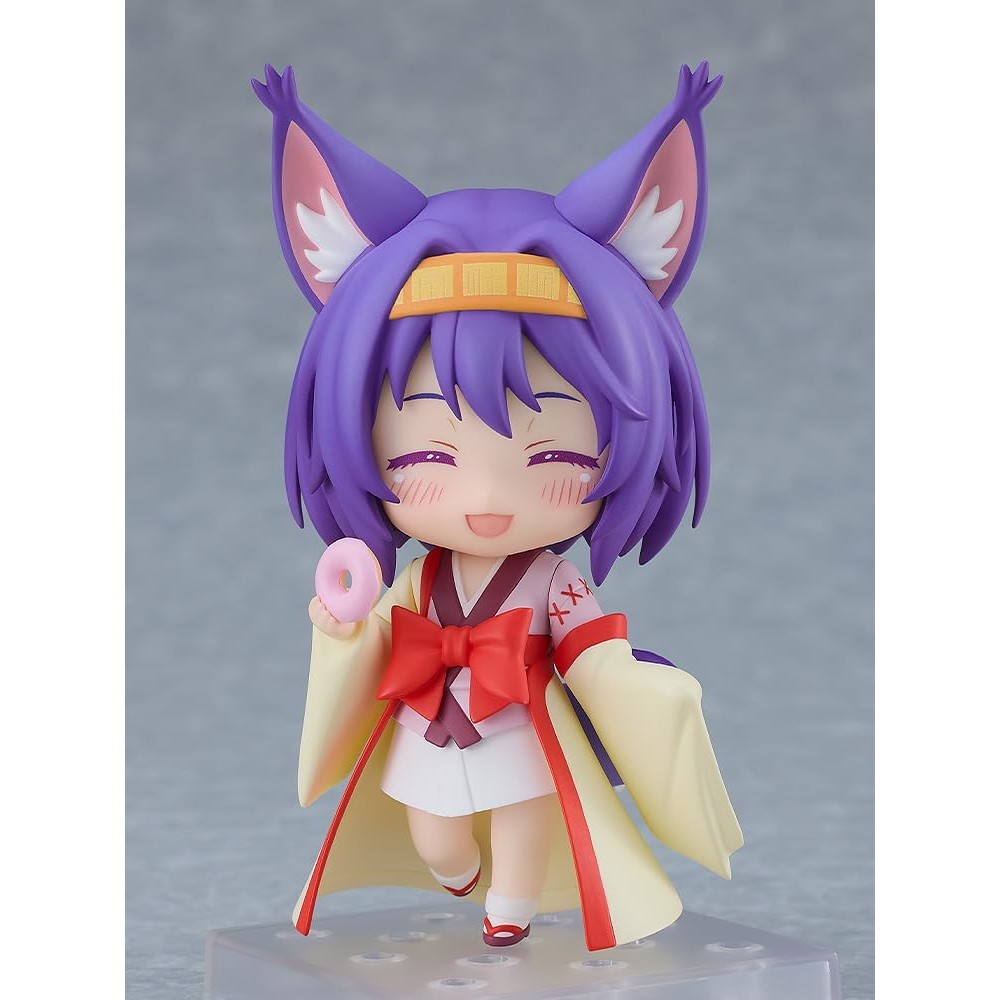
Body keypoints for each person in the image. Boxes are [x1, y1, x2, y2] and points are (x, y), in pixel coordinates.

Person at [253, 60, 742, 951]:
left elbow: (590, 647)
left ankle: (510, 902)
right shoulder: (421, 581)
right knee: (435, 833)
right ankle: (455, 872)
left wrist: (641, 690)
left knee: (524, 809)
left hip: (520, 722)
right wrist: (340, 628)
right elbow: (371, 635)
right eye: (426, 457)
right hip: (427, 724)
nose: (484, 499)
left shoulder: (553, 583)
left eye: (552, 457)